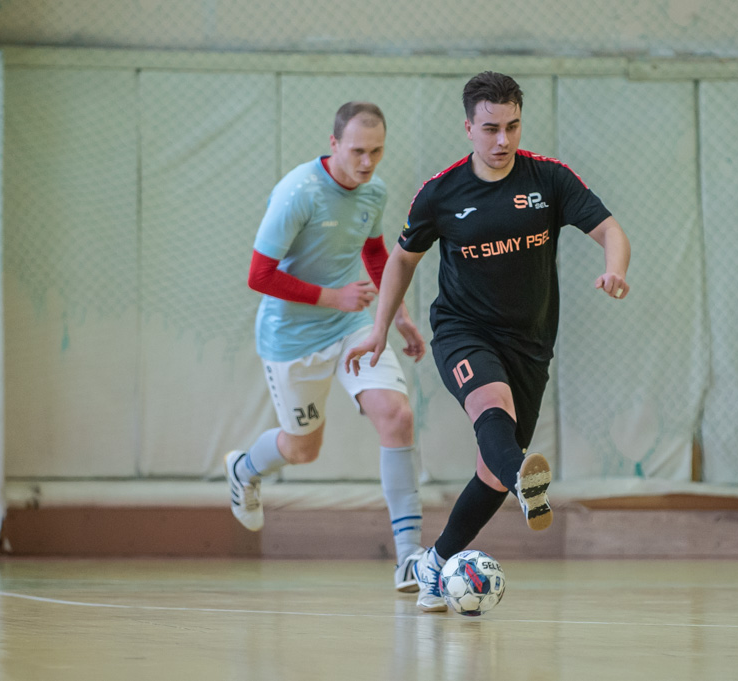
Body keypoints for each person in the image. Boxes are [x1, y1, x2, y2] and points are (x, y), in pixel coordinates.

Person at [345, 72, 631, 611]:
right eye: (491, 128)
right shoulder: (441, 193)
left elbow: (611, 230)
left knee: (491, 471)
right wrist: (381, 328)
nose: (503, 140)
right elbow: (402, 259)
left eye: (513, 127)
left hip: (531, 345)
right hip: (464, 330)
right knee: (491, 407)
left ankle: (434, 563)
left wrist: (614, 268)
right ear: (468, 128)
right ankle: (523, 478)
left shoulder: (549, 180)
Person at [225, 102, 427, 592]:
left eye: (376, 151)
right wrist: (333, 296)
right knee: (302, 450)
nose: (367, 163)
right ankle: (244, 469)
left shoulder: (374, 191)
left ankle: (409, 558)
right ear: (334, 144)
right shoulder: (299, 192)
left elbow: (375, 252)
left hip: (351, 325)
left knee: (397, 416)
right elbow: (258, 275)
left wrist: (397, 314)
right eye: (357, 151)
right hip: (292, 337)